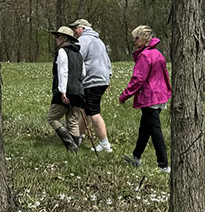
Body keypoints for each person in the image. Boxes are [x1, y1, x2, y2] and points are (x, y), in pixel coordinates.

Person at [119, 25, 171, 173]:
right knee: (145, 128)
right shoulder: (157, 53)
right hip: (160, 95)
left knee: (155, 131)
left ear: (144, 39)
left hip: (150, 97)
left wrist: (124, 95)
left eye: (136, 38)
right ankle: (136, 157)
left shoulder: (145, 56)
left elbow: (138, 79)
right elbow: (165, 74)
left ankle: (164, 165)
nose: (134, 41)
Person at [70, 18, 113, 153]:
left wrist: (76, 78)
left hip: (92, 80)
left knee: (94, 112)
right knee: (85, 110)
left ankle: (105, 144)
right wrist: (108, 77)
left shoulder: (83, 40)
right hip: (101, 79)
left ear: (82, 28)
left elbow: (78, 59)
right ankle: (79, 137)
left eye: (75, 28)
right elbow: (107, 60)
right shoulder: (99, 41)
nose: (73, 31)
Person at [46, 26, 85, 153]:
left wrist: (63, 91)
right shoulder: (79, 53)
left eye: (58, 37)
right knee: (73, 120)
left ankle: (70, 144)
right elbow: (83, 73)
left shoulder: (62, 51)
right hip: (78, 91)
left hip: (65, 91)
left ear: (65, 39)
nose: (56, 39)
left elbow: (63, 71)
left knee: (53, 118)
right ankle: (75, 151)